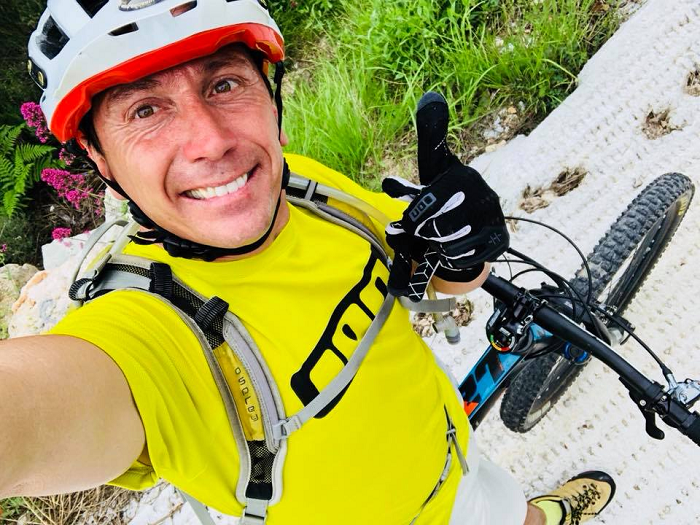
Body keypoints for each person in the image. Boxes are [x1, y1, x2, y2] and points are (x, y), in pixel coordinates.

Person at [2, 1, 616, 524]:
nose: (212, 141)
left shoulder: (305, 192)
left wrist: (462, 252)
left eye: (224, 84)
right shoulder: (143, 333)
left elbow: (430, 280)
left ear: (271, 99)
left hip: (456, 467)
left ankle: (545, 513)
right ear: (100, 158)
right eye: (145, 110)